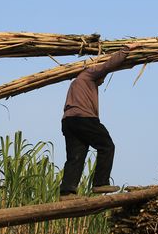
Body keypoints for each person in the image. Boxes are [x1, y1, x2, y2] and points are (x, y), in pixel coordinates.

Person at [59, 44, 140, 199]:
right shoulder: (88, 73)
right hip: (83, 118)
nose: (103, 80)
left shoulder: (77, 82)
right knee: (107, 146)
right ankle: (100, 183)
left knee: (76, 156)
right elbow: (108, 66)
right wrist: (126, 49)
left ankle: (67, 192)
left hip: (68, 121)